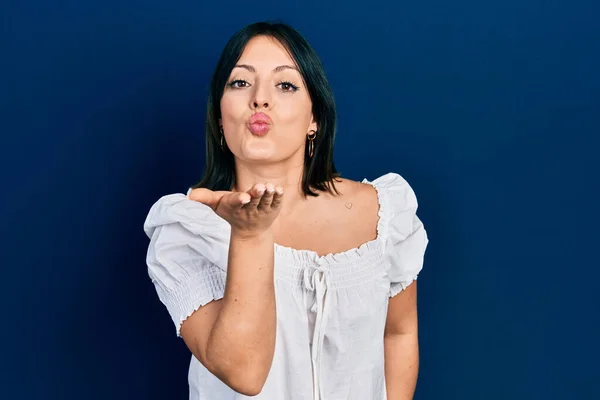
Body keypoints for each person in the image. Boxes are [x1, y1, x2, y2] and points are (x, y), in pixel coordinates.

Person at [143, 21, 429, 400]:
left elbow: (398, 333)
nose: (260, 99)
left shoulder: (384, 212)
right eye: (240, 83)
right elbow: (243, 372)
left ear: (315, 119)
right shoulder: (187, 230)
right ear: (219, 118)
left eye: (286, 85)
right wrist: (249, 234)